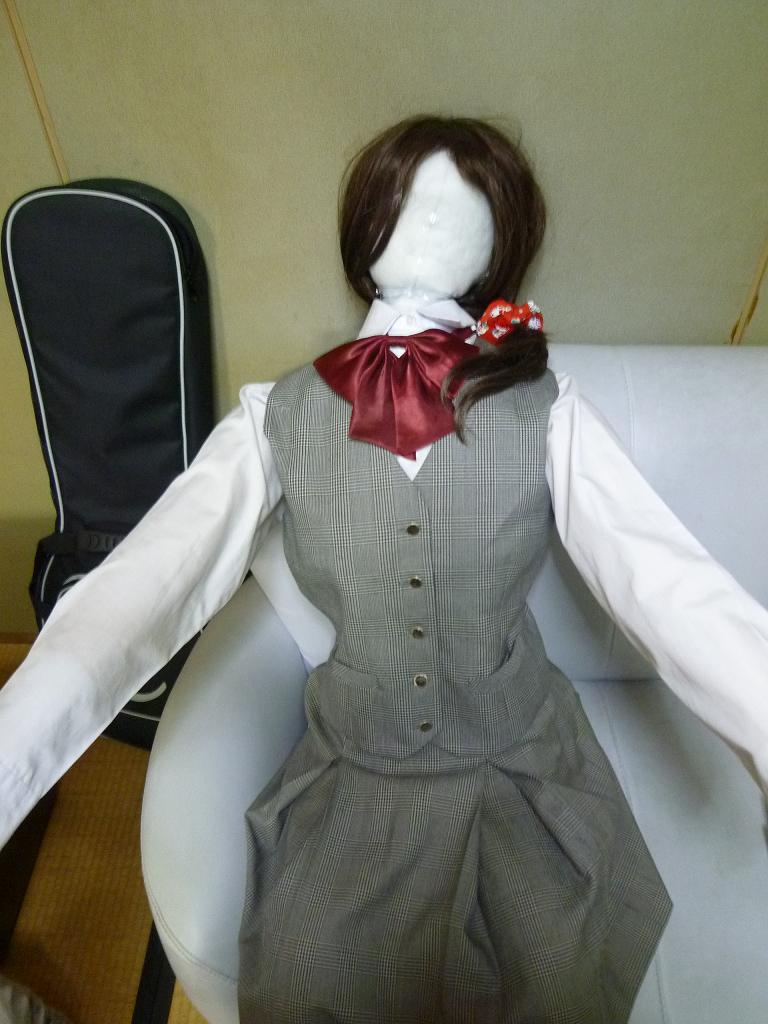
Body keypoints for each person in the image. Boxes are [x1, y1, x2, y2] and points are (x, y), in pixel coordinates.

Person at [1, 115, 767, 1023]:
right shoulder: (278, 415)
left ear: (501, 240)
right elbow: (140, 590)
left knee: (560, 976)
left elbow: (667, 582)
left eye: (466, 202)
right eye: (409, 197)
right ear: (365, 223)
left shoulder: (547, 408)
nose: (433, 219)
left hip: (521, 758)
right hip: (360, 769)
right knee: (311, 974)